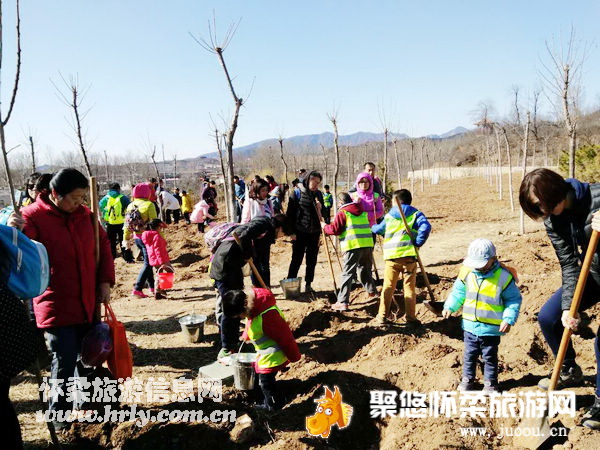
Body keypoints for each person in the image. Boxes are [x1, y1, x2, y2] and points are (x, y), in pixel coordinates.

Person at [21, 168, 115, 431]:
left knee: (87, 357)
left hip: (87, 299)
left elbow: (103, 245)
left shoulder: (85, 215)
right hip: (55, 303)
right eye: (74, 198)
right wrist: (17, 234)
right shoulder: (32, 218)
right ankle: (59, 416)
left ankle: (84, 406)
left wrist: (104, 280)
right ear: (54, 194)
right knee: (63, 359)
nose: (79, 203)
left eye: (83, 197)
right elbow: (23, 258)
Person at [519, 168, 600, 429]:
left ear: (555, 193)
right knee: (549, 318)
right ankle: (568, 370)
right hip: (594, 273)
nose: (543, 214)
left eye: (543, 207)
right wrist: (568, 308)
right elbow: (569, 264)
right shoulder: (553, 220)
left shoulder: (597, 198)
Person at [442, 239, 522, 393]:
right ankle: (467, 380)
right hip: (470, 326)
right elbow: (458, 292)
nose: (478, 267)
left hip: (490, 329)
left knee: (490, 358)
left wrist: (508, 319)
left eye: (483, 263)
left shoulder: (503, 277)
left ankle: (490, 383)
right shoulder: (467, 272)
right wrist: (450, 306)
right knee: (469, 355)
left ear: (493, 259)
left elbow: (513, 300)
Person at [210, 215, 294, 361]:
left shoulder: (266, 230)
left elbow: (260, 260)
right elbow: (243, 234)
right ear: (280, 227)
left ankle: (233, 343)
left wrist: (264, 285)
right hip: (225, 266)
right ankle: (226, 348)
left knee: (238, 304)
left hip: (232, 266)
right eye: (284, 233)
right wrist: (247, 253)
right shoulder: (264, 224)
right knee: (232, 307)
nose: (282, 236)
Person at [222, 287, 300, 411]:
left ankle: (273, 405)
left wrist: (294, 355)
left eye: (239, 316)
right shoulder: (253, 308)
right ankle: (270, 397)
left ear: (244, 307)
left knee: (266, 383)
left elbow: (284, 337)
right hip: (265, 356)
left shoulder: (268, 316)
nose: (241, 318)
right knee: (261, 380)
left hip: (274, 356)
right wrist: (245, 335)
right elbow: (251, 322)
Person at [372, 189, 431, 326]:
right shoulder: (416, 214)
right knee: (409, 287)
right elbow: (426, 227)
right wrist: (418, 242)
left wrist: (373, 227)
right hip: (409, 258)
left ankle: (382, 317)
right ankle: (411, 318)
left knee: (388, 287)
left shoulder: (389, 216)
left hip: (392, 258)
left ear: (395, 201)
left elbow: (380, 229)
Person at [323, 193, 377, 311]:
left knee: (347, 273)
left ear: (340, 203)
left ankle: (342, 301)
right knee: (365, 269)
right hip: (367, 244)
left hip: (353, 246)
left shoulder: (343, 212)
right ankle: (372, 291)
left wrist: (325, 227)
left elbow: (335, 229)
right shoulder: (362, 212)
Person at [286, 171, 324, 293]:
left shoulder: (318, 194)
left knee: (311, 260)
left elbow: (323, 214)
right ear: (308, 180)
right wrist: (291, 232)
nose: (316, 185)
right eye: (314, 181)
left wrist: (321, 207)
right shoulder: (297, 193)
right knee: (296, 259)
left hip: (314, 232)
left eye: (318, 182)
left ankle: (308, 284)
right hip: (299, 232)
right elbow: (289, 215)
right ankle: (291, 285)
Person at [123, 183, 158, 298]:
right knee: (149, 263)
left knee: (147, 262)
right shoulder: (149, 205)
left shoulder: (130, 205)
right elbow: (154, 223)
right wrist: (160, 237)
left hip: (137, 238)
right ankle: (137, 288)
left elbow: (127, 224)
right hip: (148, 238)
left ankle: (152, 287)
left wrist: (126, 238)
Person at [141, 219, 173, 300]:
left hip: (153, 258)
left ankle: (159, 291)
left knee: (158, 274)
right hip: (161, 258)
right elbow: (158, 250)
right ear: (158, 227)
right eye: (160, 227)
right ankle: (160, 289)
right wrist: (162, 262)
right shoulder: (156, 236)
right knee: (169, 271)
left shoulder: (147, 235)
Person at [99, 182, 131, 260]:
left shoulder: (106, 198)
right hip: (122, 222)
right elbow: (130, 206)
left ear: (110, 189)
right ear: (118, 189)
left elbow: (99, 206)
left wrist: (105, 213)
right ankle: (126, 257)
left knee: (111, 241)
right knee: (123, 240)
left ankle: (112, 256)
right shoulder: (123, 197)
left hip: (110, 223)